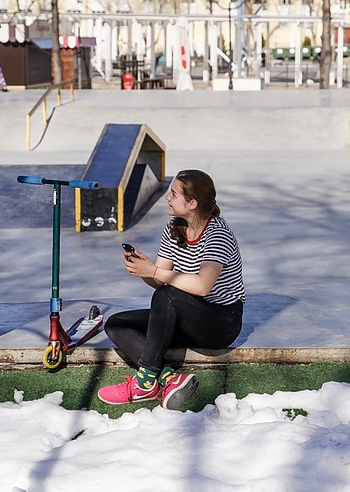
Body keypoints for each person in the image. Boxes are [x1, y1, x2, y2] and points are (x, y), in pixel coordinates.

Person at [98, 169, 244, 411]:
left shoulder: (217, 234)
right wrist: (144, 270)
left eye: (173, 194)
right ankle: (168, 378)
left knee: (167, 296)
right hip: (185, 315)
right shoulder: (174, 228)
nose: (167, 197)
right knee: (116, 323)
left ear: (192, 203)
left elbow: (202, 286)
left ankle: (144, 382)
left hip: (220, 323)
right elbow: (159, 280)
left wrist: (154, 272)